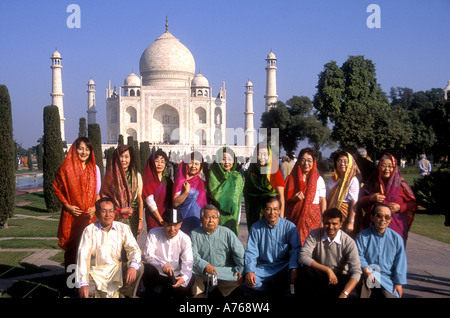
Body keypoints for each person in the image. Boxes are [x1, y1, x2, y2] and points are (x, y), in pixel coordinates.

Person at [76, 197, 144, 298]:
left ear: (115, 212)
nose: (108, 215)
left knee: (138, 267)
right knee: (86, 291)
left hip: (116, 270)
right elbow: (83, 257)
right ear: (97, 213)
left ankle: (125, 295)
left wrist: (133, 266)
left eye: (111, 211)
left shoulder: (123, 228)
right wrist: (83, 283)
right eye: (103, 211)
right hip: (95, 273)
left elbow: (134, 249)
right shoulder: (89, 230)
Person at [54, 137, 101, 275]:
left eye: (87, 149)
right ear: (75, 149)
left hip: (88, 217)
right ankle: (70, 284)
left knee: (87, 250)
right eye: (81, 148)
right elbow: (57, 188)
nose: (84, 152)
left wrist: (94, 208)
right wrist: (67, 206)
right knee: (72, 250)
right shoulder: (66, 167)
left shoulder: (93, 168)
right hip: (72, 216)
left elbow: (97, 194)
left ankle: (85, 283)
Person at [297, 208, 362, 299]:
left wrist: (344, 294)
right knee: (304, 271)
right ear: (323, 222)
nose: (331, 227)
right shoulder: (315, 234)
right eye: (327, 223)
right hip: (321, 274)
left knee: (352, 294)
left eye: (334, 224)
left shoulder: (349, 242)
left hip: (340, 277)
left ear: (340, 224)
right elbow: (302, 256)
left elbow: (356, 271)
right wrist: (327, 270)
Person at [244, 196, 300, 298]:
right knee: (251, 283)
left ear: (279, 210)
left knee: (295, 281)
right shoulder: (256, 227)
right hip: (263, 269)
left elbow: (295, 249)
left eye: (275, 209)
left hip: (284, 267)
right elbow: (251, 252)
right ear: (263, 211)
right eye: (268, 209)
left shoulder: (289, 227)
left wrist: (294, 268)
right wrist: (250, 271)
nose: (272, 213)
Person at [358, 153, 417, 245]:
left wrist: (399, 207)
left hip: (396, 228)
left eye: (390, 166)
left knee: (394, 254)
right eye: (383, 166)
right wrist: (371, 198)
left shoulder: (401, 184)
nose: (387, 169)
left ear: (395, 168)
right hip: (373, 226)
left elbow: (412, 203)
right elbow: (360, 200)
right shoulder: (372, 182)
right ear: (378, 167)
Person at [190, 204, 245, 298]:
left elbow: (239, 252)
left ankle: (219, 290)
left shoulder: (227, 232)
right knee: (191, 270)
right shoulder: (194, 234)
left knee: (239, 277)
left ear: (218, 220)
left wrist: (241, 269)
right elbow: (193, 254)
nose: (211, 220)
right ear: (201, 219)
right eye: (207, 217)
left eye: (214, 217)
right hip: (203, 271)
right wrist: (204, 265)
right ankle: (200, 292)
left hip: (223, 271)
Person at [356, 204, 407, 298]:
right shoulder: (362, 236)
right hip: (369, 274)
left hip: (387, 279)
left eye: (387, 217)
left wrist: (398, 283)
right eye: (379, 216)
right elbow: (358, 255)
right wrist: (366, 269)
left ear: (390, 219)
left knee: (389, 296)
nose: (383, 219)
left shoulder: (396, 238)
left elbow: (400, 262)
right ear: (372, 217)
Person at [142, 208, 195, 298]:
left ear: (180, 224)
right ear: (163, 223)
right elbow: (147, 255)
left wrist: (184, 278)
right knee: (147, 269)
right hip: (157, 273)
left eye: (175, 225)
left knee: (190, 279)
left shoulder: (185, 238)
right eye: (169, 225)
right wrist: (162, 264)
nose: (172, 229)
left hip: (175, 275)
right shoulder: (154, 233)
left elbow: (188, 261)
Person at [284, 147, 327, 245]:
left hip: (313, 217)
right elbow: (284, 199)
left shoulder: (318, 180)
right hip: (295, 217)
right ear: (298, 161)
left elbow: (322, 200)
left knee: (311, 243)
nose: (306, 164)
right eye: (303, 160)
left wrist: (323, 220)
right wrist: (294, 198)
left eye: (309, 160)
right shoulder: (291, 179)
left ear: (313, 162)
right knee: (295, 243)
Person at [100, 145, 143, 238]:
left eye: (126, 157)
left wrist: (140, 220)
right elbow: (104, 199)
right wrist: (120, 210)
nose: (123, 160)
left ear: (131, 158)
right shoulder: (111, 176)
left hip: (132, 218)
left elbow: (139, 199)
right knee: (115, 248)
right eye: (121, 156)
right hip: (114, 218)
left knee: (130, 247)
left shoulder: (136, 176)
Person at [243, 142, 285, 231]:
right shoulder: (252, 173)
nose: (262, 157)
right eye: (259, 154)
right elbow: (248, 194)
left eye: (265, 154)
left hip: (272, 216)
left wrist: (281, 217)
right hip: (255, 216)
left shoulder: (274, 172)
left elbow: (281, 196)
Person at [206, 146, 244, 235]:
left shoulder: (237, 177)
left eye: (230, 159)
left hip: (233, 218)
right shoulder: (214, 175)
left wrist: (237, 217)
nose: (227, 162)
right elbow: (215, 195)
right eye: (223, 159)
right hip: (217, 217)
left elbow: (238, 200)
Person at [326, 150, 361, 236]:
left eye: (345, 161)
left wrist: (351, 222)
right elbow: (327, 199)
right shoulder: (332, 180)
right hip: (331, 215)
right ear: (335, 163)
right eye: (339, 161)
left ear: (350, 164)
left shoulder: (353, 180)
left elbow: (354, 202)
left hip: (345, 217)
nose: (342, 164)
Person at [172, 151, 208, 235]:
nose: (194, 166)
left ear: (200, 166)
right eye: (191, 163)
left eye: (197, 164)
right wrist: (186, 192)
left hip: (197, 220)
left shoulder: (201, 182)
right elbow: (175, 203)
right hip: (183, 220)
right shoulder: (180, 181)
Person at [142, 149, 173, 232]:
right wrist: (160, 219)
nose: (160, 164)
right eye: (157, 161)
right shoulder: (148, 179)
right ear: (152, 163)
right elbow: (150, 201)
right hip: (153, 217)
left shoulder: (167, 180)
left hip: (167, 216)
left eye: (162, 162)